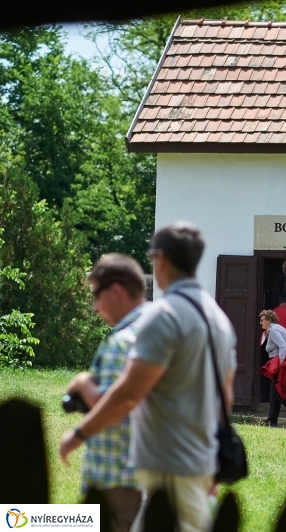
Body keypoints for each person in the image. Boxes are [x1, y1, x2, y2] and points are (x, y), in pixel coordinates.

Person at [59, 221, 237, 532]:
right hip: (199, 460)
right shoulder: (218, 318)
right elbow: (226, 396)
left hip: (169, 463)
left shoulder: (164, 315)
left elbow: (128, 393)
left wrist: (78, 434)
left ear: (161, 259)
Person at [66, 253, 148, 532]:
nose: (94, 307)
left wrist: (83, 383)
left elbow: (113, 405)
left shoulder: (124, 341)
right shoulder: (157, 330)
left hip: (115, 476)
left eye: (96, 295)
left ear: (116, 291)